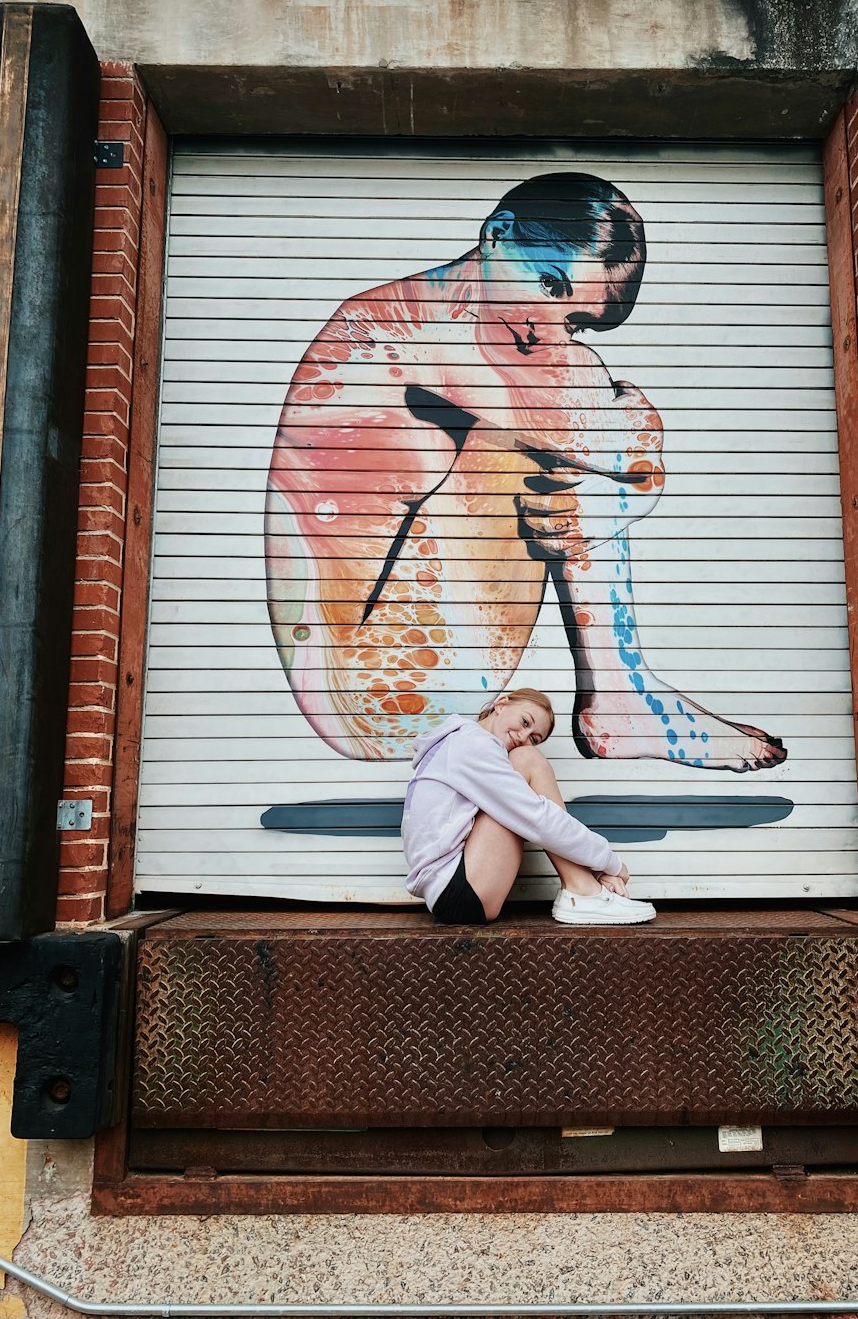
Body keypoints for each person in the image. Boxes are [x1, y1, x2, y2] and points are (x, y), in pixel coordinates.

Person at [266, 171, 786, 771]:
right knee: (591, 394)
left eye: (576, 319)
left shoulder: (492, 344)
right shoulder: (390, 338)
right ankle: (618, 697)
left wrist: (608, 491)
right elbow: (632, 456)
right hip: (371, 685)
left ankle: (620, 695)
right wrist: (613, 482)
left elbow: (631, 466)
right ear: (496, 235)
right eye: (548, 282)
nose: (547, 326)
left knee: (585, 397)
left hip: (449, 682)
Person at [402, 686, 656, 925]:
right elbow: (538, 818)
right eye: (525, 722)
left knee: (524, 770)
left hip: (455, 887)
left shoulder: (463, 742)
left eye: (534, 738)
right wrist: (611, 864)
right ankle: (583, 890)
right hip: (459, 891)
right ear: (501, 704)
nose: (523, 737)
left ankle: (582, 888)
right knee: (527, 762)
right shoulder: (471, 745)